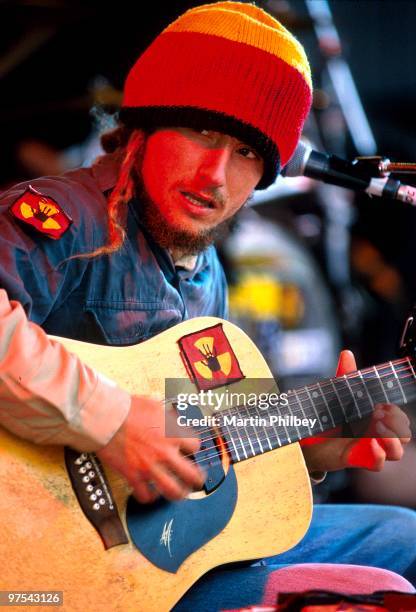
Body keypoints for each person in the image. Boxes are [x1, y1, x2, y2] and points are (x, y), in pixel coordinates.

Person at [0, 2, 415, 609]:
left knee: (402, 538)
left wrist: (305, 443)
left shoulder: (204, 269)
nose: (217, 174)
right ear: (143, 128)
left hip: (152, 559)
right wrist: (110, 417)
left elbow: (193, 424)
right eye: (203, 133)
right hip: (38, 570)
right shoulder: (65, 221)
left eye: (248, 152)